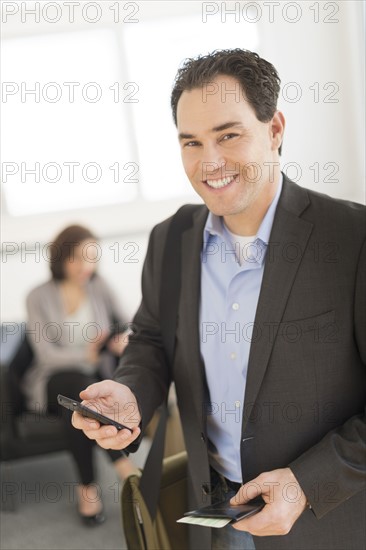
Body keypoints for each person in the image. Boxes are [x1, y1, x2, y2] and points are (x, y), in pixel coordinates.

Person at [72, 49, 366, 549]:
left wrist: (306, 484)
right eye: (191, 142)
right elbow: (150, 343)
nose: (209, 163)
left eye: (228, 135)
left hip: (326, 522)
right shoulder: (171, 239)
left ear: (274, 129)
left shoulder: (352, 238)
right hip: (215, 520)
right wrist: (131, 395)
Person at [23, 224, 137, 526]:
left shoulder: (99, 286)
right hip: (51, 379)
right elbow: (46, 354)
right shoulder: (38, 296)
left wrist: (119, 340)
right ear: (60, 259)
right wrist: (85, 356)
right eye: (77, 258)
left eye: (92, 258)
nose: (86, 266)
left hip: (90, 382)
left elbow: (130, 324)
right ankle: (124, 468)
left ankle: (87, 489)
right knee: (78, 387)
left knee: (84, 398)